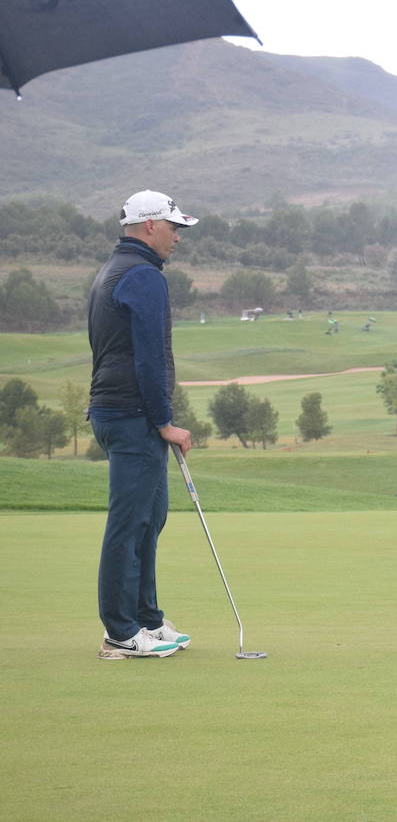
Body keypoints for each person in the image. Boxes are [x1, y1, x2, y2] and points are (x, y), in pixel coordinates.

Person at [88, 190, 199, 659]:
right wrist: (164, 422)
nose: (177, 236)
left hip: (121, 412)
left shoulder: (116, 270)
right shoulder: (143, 276)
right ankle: (120, 631)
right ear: (150, 225)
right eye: (174, 227)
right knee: (130, 523)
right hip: (132, 415)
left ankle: (147, 620)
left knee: (150, 518)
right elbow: (149, 358)